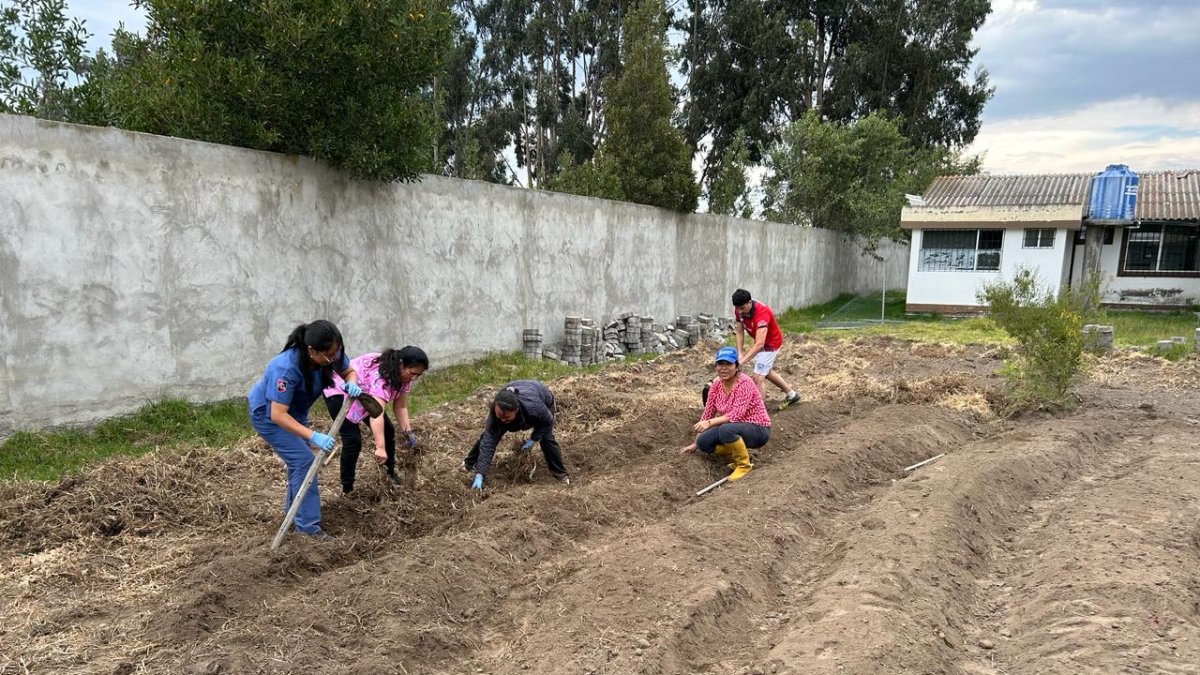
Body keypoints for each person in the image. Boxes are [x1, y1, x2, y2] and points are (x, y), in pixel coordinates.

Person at [248, 320, 360, 542]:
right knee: (304, 461)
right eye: (329, 355)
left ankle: (294, 516)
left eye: (336, 353)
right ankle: (308, 528)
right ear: (311, 351)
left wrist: (352, 382)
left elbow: (349, 371)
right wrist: (313, 435)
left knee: (299, 464)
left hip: (295, 413)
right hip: (268, 415)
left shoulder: (329, 354)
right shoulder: (285, 369)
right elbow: (278, 415)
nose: (333, 359)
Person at [323, 346, 429, 495]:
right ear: (401, 363)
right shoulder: (382, 376)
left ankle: (389, 473)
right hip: (339, 389)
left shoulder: (404, 376)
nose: (413, 378)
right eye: (412, 373)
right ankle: (348, 489)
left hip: (364, 393)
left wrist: (408, 433)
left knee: (388, 430)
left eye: (418, 375)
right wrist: (380, 448)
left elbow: (400, 406)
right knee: (353, 441)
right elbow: (376, 415)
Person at [462, 380, 570, 490]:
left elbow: (547, 421)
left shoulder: (534, 407)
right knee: (487, 437)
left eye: (507, 418)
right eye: (500, 416)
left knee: (546, 438)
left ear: (516, 410)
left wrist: (534, 439)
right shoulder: (496, 409)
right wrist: (480, 473)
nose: (503, 420)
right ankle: (468, 464)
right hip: (515, 392)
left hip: (542, 398)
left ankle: (560, 474)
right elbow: (488, 443)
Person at [682, 346, 771, 481]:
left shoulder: (745, 383)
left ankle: (743, 465)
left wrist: (709, 423)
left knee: (726, 429)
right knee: (703, 443)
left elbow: (735, 415)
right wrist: (695, 443)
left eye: (728, 364)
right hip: (734, 428)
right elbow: (707, 413)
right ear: (715, 367)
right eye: (720, 364)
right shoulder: (716, 386)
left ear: (737, 366)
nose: (724, 368)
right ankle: (739, 453)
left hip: (758, 429)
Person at [731, 288, 800, 409]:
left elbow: (759, 344)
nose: (739, 311)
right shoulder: (739, 309)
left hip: (770, 344)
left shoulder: (762, 313)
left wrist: (742, 361)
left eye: (742, 308)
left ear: (749, 302)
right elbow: (740, 330)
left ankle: (759, 411)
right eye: (737, 308)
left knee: (758, 377)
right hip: (760, 342)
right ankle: (792, 394)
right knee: (765, 371)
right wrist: (740, 352)